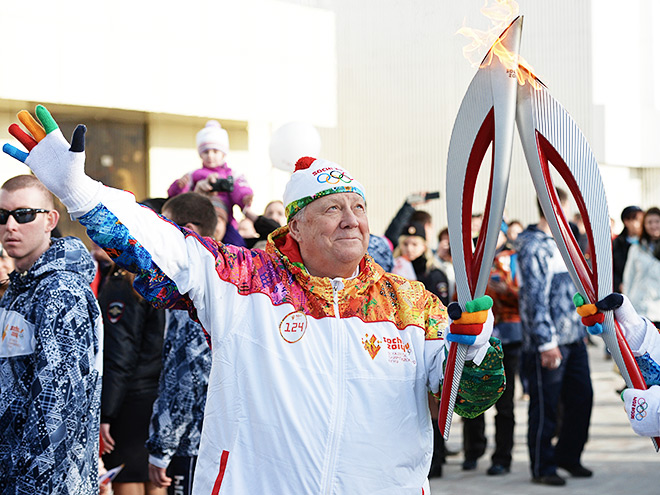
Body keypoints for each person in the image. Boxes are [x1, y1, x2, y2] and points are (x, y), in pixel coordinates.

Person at [3, 106, 505, 494]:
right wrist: (81, 192)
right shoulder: (245, 282)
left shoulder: (411, 305)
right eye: (333, 208)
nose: (352, 219)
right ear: (298, 226)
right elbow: (160, 241)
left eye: (358, 206)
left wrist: (478, 350)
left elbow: (465, 398)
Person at [0, 174, 102, 494]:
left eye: (24, 214)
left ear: (50, 220)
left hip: (46, 486)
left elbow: (57, 406)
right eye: (2, 215)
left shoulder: (60, 292)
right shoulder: (20, 288)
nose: (11, 225)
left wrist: (29, 485)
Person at [517, 187, 593, 486]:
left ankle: (568, 456)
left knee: (581, 398)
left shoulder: (565, 242)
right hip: (547, 343)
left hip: (575, 336)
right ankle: (542, 465)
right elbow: (534, 298)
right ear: (548, 207)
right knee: (546, 405)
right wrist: (546, 343)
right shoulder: (534, 246)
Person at [146, 193, 216, 495]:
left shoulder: (193, 288)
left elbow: (185, 377)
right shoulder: (224, 274)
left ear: (188, 230)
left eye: (165, 226)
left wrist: (162, 446)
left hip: (194, 442)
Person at [99, 199, 166, 495]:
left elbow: (119, 355)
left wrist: (106, 414)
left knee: (132, 479)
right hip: (158, 397)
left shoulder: (126, 282)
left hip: (131, 401)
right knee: (154, 480)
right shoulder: (164, 276)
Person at [391, 220, 450, 478]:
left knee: (435, 405)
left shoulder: (433, 273)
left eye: (415, 243)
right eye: (405, 242)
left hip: (429, 344)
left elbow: (443, 311)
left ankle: (437, 458)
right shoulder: (394, 272)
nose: (409, 247)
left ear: (424, 246)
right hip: (403, 349)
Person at [461, 228, 522, 476]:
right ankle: (473, 450)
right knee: (471, 395)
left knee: (505, 403)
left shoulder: (515, 258)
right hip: (475, 340)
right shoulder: (470, 259)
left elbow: (525, 296)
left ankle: (502, 456)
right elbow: (459, 296)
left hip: (508, 337)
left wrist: (506, 289)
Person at [167, 120, 253, 224]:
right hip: (198, 220)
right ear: (200, 154)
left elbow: (240, 188)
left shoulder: (232, 175)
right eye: (206, 152)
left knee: (235, 240)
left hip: (225, 222)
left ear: (223, 154)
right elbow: (178, 199)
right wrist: (179, 186)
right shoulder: (193, 175)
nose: (210, 156)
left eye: (215, 151)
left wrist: (244, 197)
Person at [622, 207, 660, 327]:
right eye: (649, 222)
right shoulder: (636, 248)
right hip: (639, 309)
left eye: (657, 221)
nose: (653, 225)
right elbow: (628, 277)